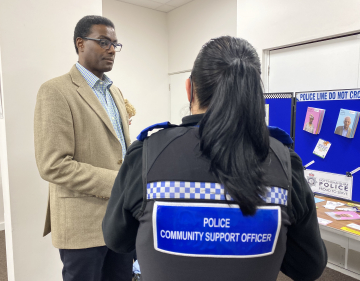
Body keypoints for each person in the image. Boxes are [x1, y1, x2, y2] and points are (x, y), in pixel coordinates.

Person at [102, 36, 327, 281]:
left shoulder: (146, 154)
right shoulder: (284, 162)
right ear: (253, 94)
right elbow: (308, 267)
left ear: (190, 89)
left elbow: (116, 239)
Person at [34, 15, 133, 281]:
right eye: (103, 42)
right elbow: (53, 164)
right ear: (80, 44)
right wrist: (120, 182)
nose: (111, 49)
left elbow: (121, 148)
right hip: (82, 225)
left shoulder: (115, 93)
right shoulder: (55, 91)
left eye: (115, 44)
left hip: (120, 221)